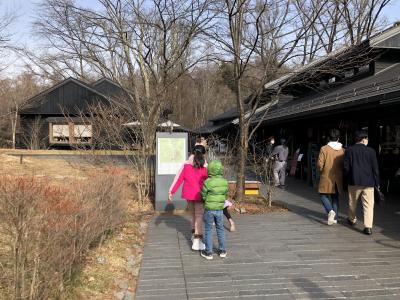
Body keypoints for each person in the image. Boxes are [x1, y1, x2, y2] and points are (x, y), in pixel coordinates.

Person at [169, 147, 208, 250]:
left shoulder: (186, 164)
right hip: (200, 194)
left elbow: (178, 178)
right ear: (204, 154)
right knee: (199, 215)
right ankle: (197, 240)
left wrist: (171, 191)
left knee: (193, 215)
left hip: (188, 194)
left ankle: (192, 235)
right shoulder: (205, 165)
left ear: (191, 153)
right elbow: (210, 180)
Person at [343, 130, 380, 235]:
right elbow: (375, 169)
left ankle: (352, 219)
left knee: (352, 202)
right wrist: (377, 182)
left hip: (354, 181)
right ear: (364, 139)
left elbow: (346, 168)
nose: (367, 140)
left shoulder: (349, 150)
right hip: (369, 182)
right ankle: (368, 227)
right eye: (367, 139)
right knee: (368, 205)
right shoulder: (371, 151)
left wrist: (347, 178)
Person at [200, 160, 228, 260]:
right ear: (220, 169)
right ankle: (222, 250)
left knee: (208, 229)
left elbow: (203, 195)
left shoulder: (207, 182)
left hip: (209, 209)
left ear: (210, 170)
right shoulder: (224, 182)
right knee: (220, 229)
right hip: (220, 209)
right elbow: (225, 193)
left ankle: (208, 252)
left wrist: (206, 200)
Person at [317, 129, 345, 225]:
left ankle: (330, 211)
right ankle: (335, 218)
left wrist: (321, 170)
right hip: (338, 177)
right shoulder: (342, 150)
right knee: (335, 198)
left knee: (322, 194)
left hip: (326, 176)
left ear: (329, 138)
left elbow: (320, 164)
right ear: (338, 138)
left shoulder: (324, 149)